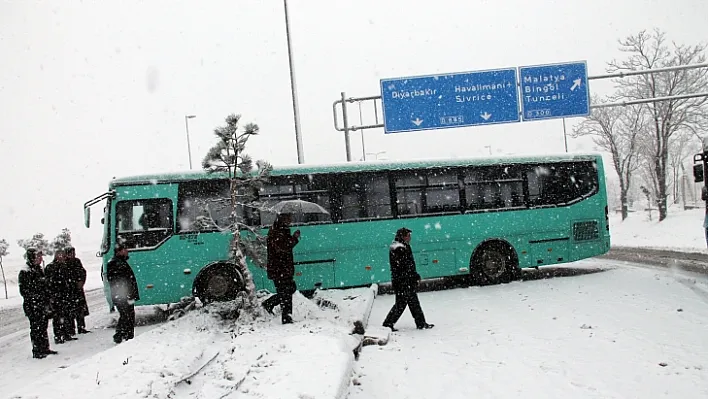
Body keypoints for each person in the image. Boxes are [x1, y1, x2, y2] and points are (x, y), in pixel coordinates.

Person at [382, 228, 434, 331]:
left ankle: (421, 323)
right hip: (403, 282)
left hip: (404, 280)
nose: (410, 237)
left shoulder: (400, 246)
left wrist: (414, 275)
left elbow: (407, 266)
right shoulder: (399, 248)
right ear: (403, 236)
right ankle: (387, 324)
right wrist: (413, 276)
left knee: (413, 302)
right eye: (408, 235)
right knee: (401, 304)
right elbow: (405, 267)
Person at [18, 248, 58, 359]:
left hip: (41, 304)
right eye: (38, 256)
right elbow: (24, 291)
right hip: (33, 305)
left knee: (43, 326)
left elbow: (44, 285)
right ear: (32, 257)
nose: (41, 259)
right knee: (36, 328)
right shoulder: (25, 271)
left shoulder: (38, 269)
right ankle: (37, 350)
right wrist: (37, 296)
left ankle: (45, 348)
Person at [262, 213, 300, 324]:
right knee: (286, 292)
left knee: (289, 290)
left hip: (283, 268)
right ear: (282, 219)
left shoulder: (281, 230)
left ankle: (269, 304)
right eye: (288, 218)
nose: (290, 221)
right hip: (279, 269)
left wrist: (292, 238)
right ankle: (286, 318)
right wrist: (294, 238)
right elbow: (283, 248)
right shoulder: (276, 232)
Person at [106, 242, 140, 343]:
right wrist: (127, 293)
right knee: (126, 315)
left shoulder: (120, 262)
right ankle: (122, 335)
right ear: (119, 252)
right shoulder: (116, 263)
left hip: (124, 294)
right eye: (125, 250)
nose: (127, 251)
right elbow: (119, 281)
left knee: (127, 315)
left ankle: (125, 335)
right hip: (122, 295)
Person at [44, 249, 78, 344]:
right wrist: (53, 295)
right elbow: (49, 283)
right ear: (57, 256)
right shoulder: (51, 267)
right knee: (58, 317)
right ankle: (58, 336)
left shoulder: (64, 266)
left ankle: (66, 333)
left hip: (65, 295)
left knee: (66, 315)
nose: (64, 258)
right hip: (57, 296)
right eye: (62, 256)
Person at [65, 247, 90, 334]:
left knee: (80, 310)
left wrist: (81, 281)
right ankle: (71, 329)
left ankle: (81, 327)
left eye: (73, 253)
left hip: (78, 289)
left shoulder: (77, 261)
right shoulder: (65, 263)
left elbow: (83, 272)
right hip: (70, 291)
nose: (73, 255)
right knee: (71, 311)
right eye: (71, 253)